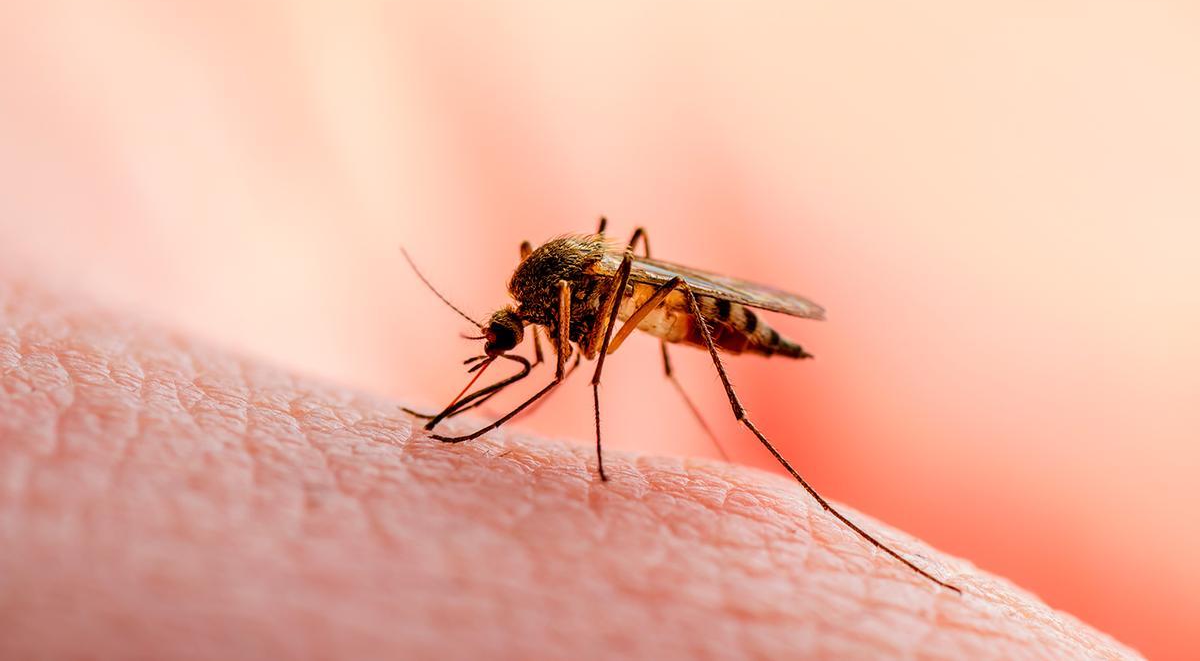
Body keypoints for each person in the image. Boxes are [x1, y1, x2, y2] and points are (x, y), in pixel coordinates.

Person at [0, 276, 1138, 659]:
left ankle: (736, 409)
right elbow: (540, 350)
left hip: (676, 297)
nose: (504, 343)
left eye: (500, 340)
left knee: (601, 348)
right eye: (503, 343)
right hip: (632, 294)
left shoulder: (569, 297)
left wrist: (567, 387)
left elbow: (573, 350)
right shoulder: (537, 305)